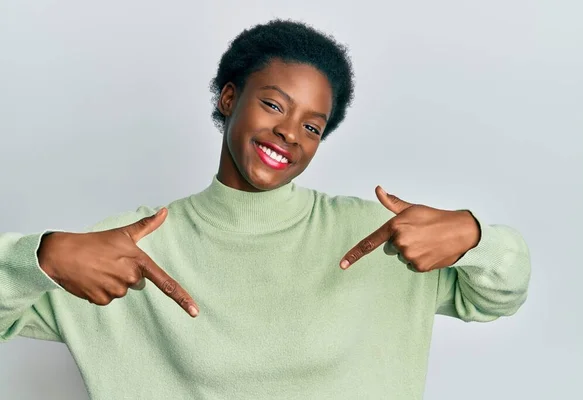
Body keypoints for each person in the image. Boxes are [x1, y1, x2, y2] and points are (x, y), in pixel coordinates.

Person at [0, 19, 531, 399]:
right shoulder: (133, 247)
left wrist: (474, 236)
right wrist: (42, 257)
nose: (288, 132)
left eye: (312, 125)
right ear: (229, 98)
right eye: (274, 104)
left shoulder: (377, 236)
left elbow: (499, 296)